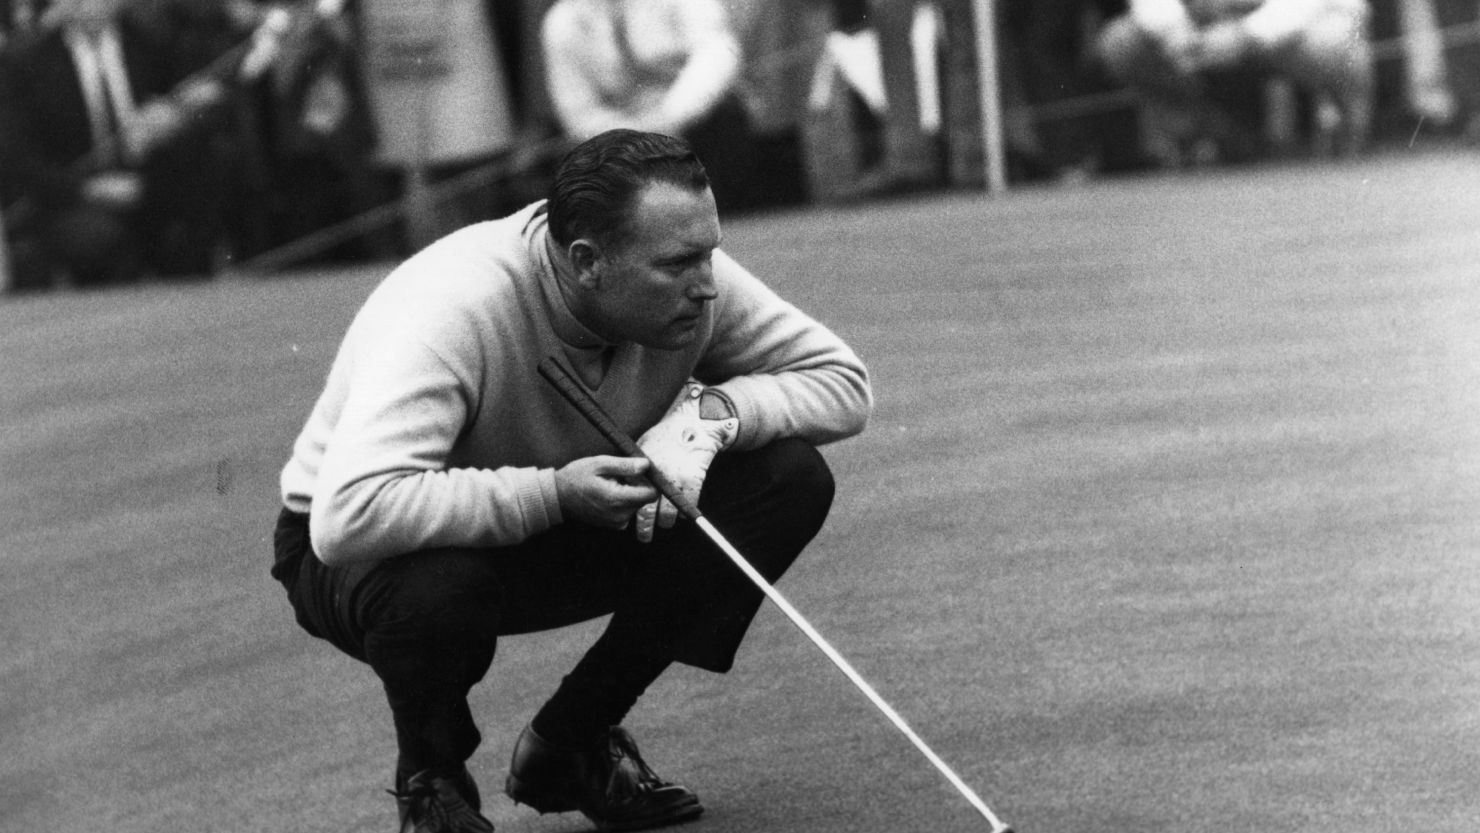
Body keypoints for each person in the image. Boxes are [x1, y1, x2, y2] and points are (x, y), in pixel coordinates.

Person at [271, 129, 873, 833]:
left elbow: (844, 384)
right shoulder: (452, 308)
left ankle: (571, 742)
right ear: (586, 261)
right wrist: (552, 493)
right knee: (438, 587)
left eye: (709, 252)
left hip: (567, 514)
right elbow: (347, 516)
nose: (707, 283)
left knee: (787, 477)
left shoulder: (682, 270)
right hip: (363, 557)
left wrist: (712, 414)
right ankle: (432, 781)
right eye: (681, 263)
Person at [0, 0, 256, 287]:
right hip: (71, 198)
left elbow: (202, 102)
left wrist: (175, 118)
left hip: (151, 184)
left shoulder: (153, 42)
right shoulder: (28, 61)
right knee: (100, 240)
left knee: (194, 216)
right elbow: (19, 156)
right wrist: (88, 190)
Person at [540, 0, 763, 214]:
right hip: (623, 140)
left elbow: (716, 54)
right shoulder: (562, 22)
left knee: (726, 118)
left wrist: (672, 116)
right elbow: (578, 111)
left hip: (692, 117)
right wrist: (632, 136)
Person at [1095, 0, 1374, 165]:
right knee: (1120, 42)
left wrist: (1247, 34)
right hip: (1200, 29)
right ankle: (1213, 134)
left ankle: (1346, 132)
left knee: (1333, 39)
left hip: (1281, 27)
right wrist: (1174, 33)